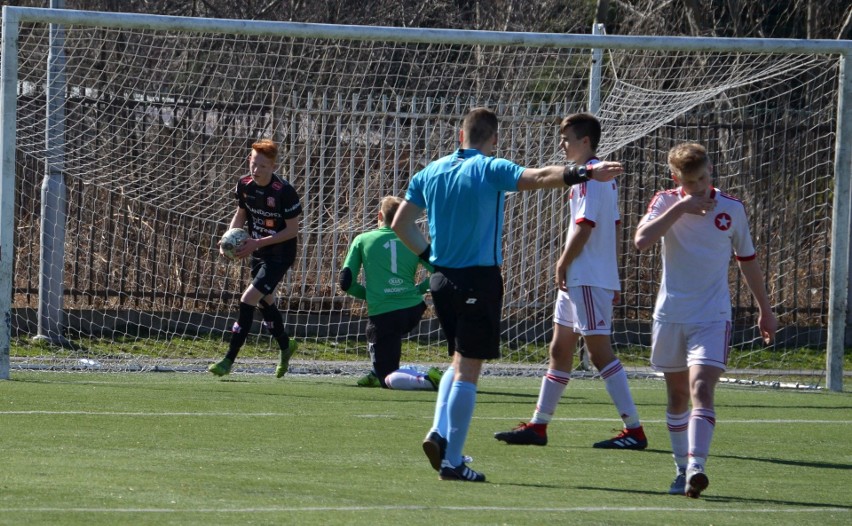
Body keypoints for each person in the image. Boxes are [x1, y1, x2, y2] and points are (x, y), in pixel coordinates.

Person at [392, 107, 623, 482]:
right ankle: (452, 461)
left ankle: (439, 432)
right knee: (469, 370)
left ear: (460, 136)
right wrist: (584, 171)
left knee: (457, 360)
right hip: (477, 280)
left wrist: (429, 258)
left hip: (441, 281)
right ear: (494, 139)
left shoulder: (429, 171)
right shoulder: (489, 167)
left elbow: (401, 223)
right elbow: (542, 176)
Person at [494, 112, 647, 450]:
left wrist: (563, 262)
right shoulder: (586, 177)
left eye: (567, 139)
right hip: (582, 277)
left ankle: (634, 430)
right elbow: (614, 226)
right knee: (559, 349)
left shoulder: (595, 177)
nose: (562, 144)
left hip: (588, 277)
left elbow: (586, 225)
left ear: (586, 142)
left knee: (599, 354)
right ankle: (538, 425)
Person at [634, 142, 777, 498]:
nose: (702, 187)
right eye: (693, 182)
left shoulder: (731, 209)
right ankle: (681, 469)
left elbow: (748, 260)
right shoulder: (666, 202)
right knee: (677, 395)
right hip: (671, 315)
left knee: (701, 389)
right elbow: (641, 241)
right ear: (677, 179)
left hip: (712, 316)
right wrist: (683, 206)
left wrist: (765, 309)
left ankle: (697, 467)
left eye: (705, 177)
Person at [208, 139, 302, 378]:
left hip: (280, 255)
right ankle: (285, 345)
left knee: (248, 299)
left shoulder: (285, 192)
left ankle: (229, 359)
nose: (255, 170)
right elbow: (241, 214)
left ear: (272, 167)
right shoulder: (244, 185)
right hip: (257, 252)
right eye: (253, 163)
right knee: (265, 301)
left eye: (262, 166)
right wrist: (227, 240)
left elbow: (292, 231)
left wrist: (257, 243)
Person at [339, 195, 443, 391]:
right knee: (388, 345)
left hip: (384, 313)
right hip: (413, 309)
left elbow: (345, 282)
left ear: (380, 215)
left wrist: (369, 294)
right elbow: (440, 270)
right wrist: (419, 289)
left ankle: (426, 376)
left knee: (386, 380)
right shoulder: (413, 240)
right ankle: (377, 370)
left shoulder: (362, 239)